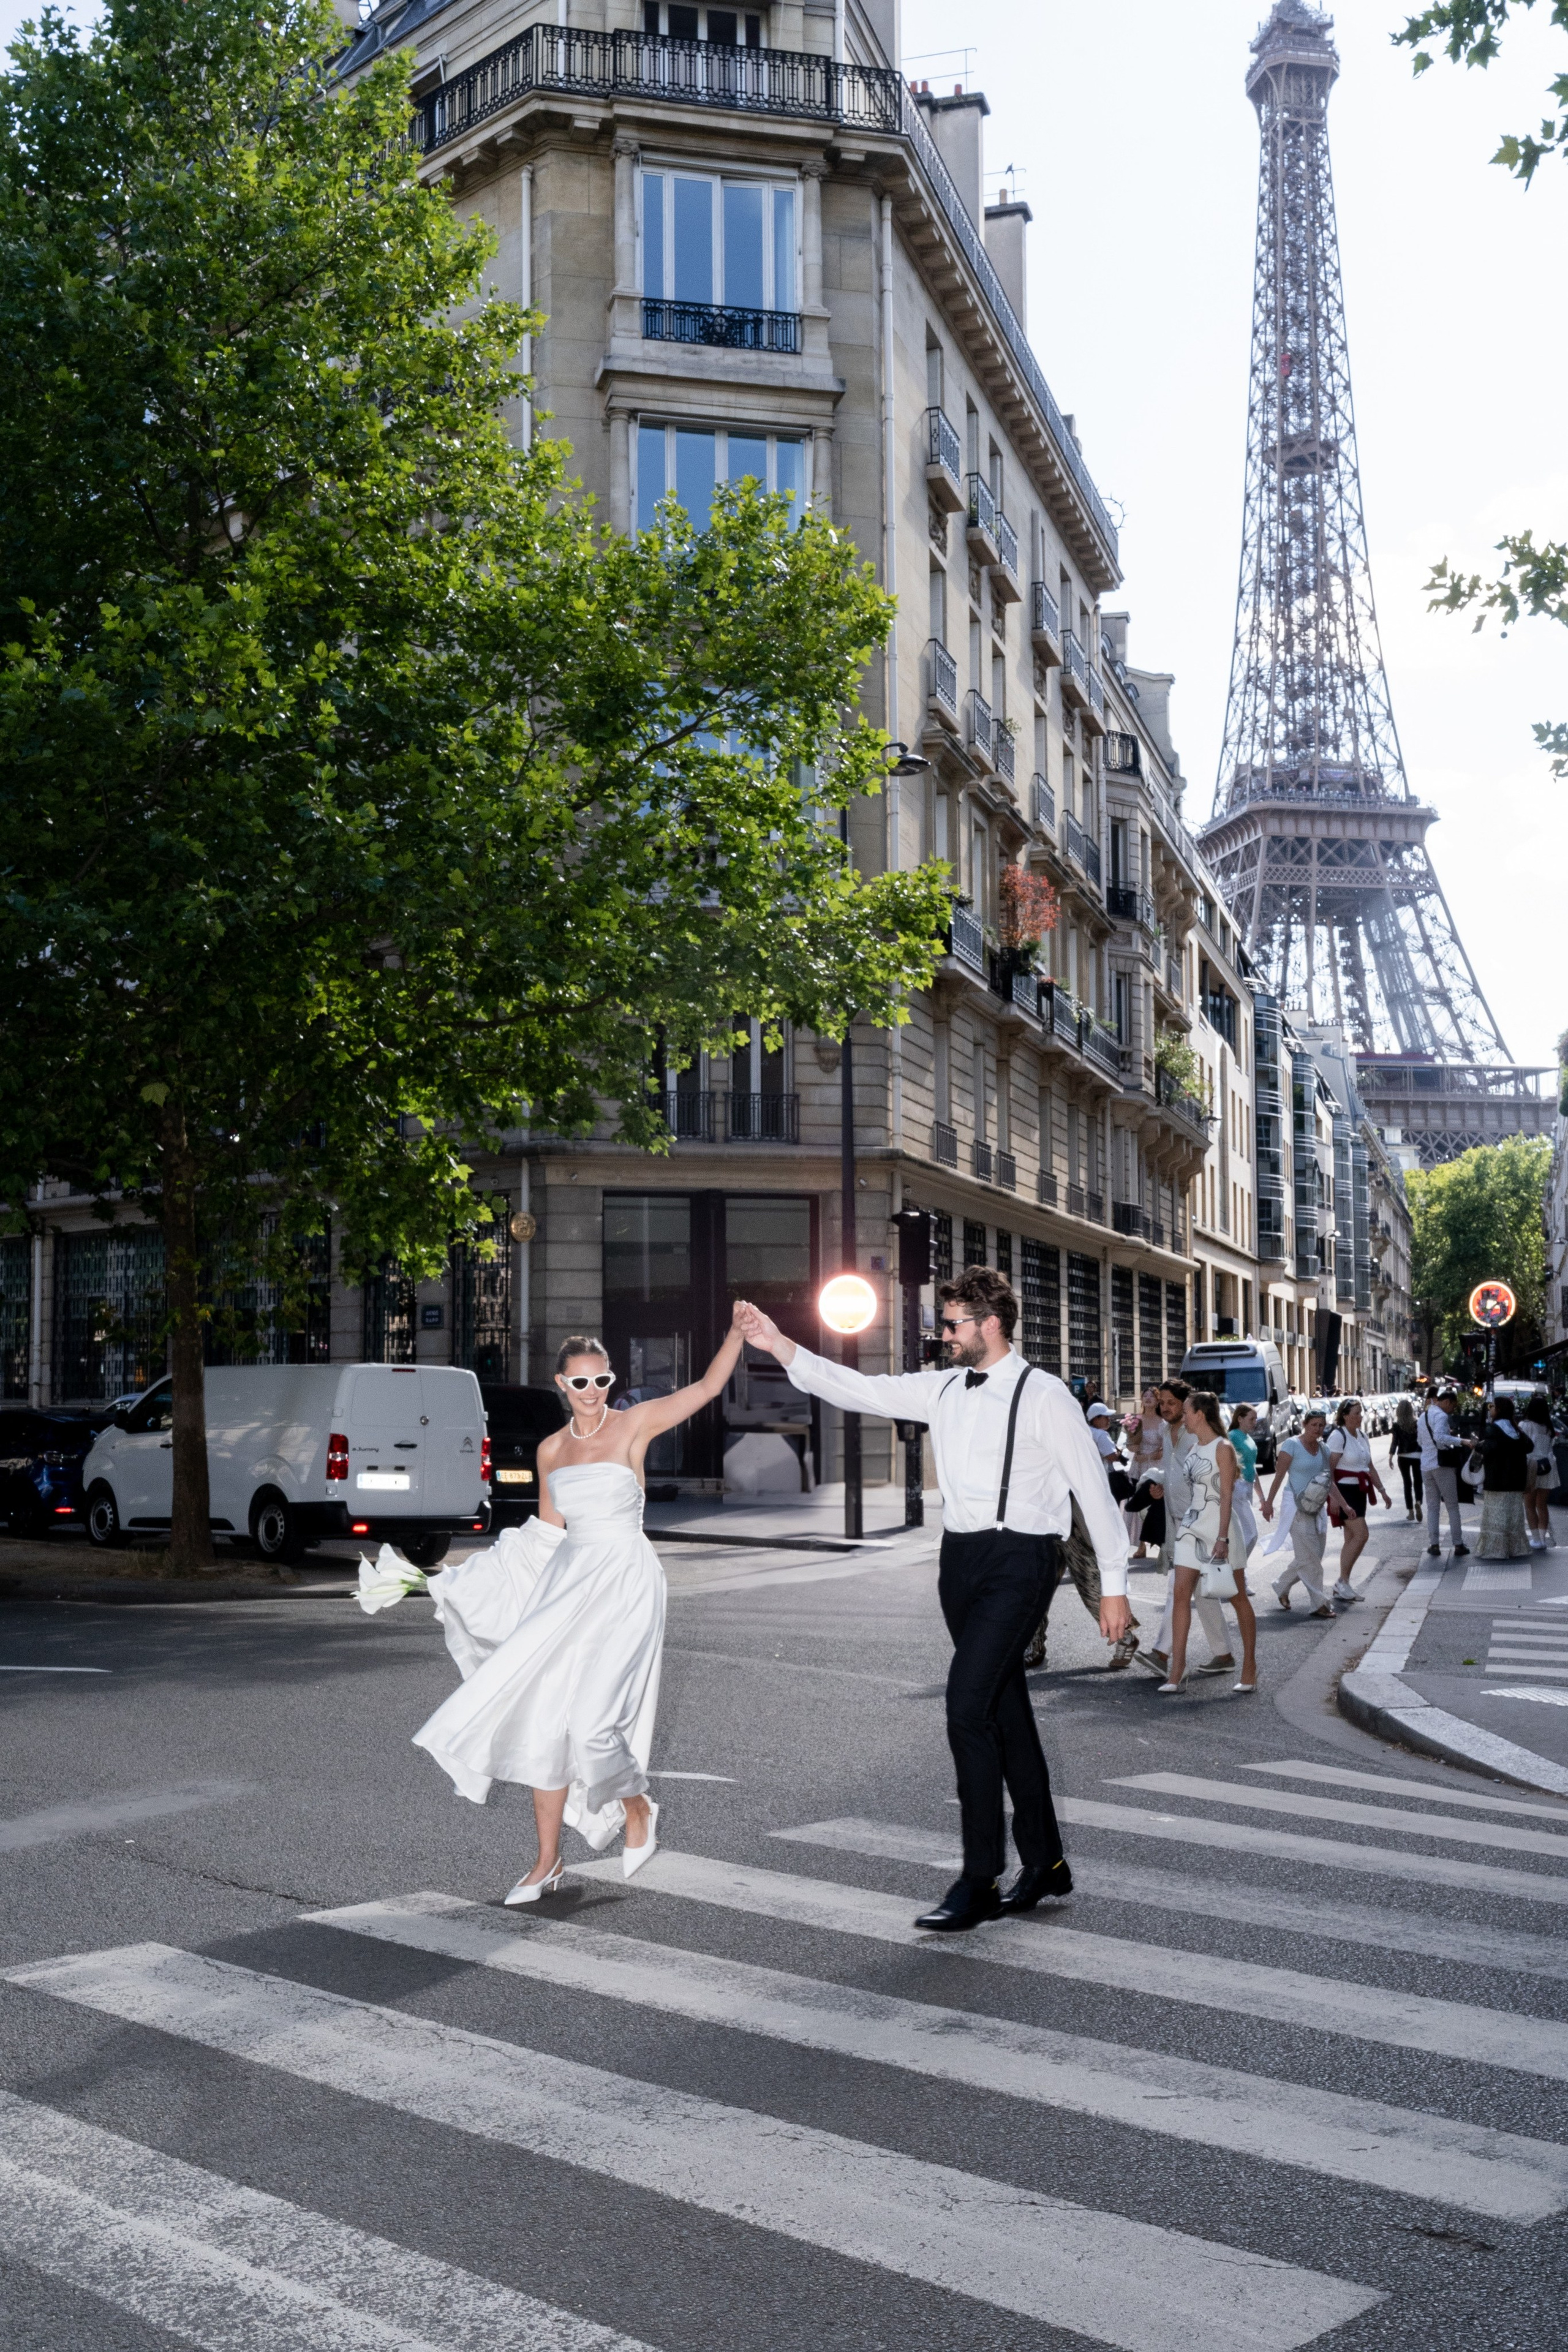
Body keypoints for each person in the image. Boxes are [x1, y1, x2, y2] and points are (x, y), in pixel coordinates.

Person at [736, 1267, 1130, 1934]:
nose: (942, 1336)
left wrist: (1114, 1587)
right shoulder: (944, 1387)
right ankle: (1047, 1863)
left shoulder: (1044, 1395)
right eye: (942, 1324)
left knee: (966, 1708)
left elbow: (1091, 1487)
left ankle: (979, 1878)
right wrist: (779, 1344)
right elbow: (858, 1388)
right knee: (1004, 1713)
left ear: (990, 1324)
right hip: (961, 1561)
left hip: (1020, 1559)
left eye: (952, 1325)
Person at [411, 1313, 746, 1902]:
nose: (594, 1393)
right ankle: (547, 1862)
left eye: (602, 1381)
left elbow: (707, 1389)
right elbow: (546, 1530)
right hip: (568, 1582)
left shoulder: (634, 1426)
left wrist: (738, 1333)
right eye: (581, 1383)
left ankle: (637, 1807)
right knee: (546, 1719)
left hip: (626, 1579)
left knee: (594, 1726)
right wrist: (466, 1576)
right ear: (561, 1386)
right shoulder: (550, 1450)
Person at [1022, 1401, 1140, 1672]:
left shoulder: (1077, 1438)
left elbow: (1091, 1489)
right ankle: (1034, 1644)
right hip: (1043, 1526)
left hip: (1074, 1524)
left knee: (1092, 1586)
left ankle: (1126, 1637)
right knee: (1036, 1589)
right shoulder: (1034, 1437)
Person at [1136, 1379, 1235, 1680]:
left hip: (1199, 1522)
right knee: (1201, 1592)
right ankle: (1224, 1654)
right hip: (1177, 1519)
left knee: (1177, 1589)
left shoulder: (1198, 1436)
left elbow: (1212, 1477)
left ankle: (1161, 1653)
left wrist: (1219, 1532)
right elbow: (1174, 1470)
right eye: (1161, 1402)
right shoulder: (1167, 1432)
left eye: (1170, 1403)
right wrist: (1161, 1486)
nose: (1164, 1408)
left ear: (1186, 1405)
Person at [1161, 1389, 1257, 1694]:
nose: (1183, 1417)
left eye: (1187, 1412)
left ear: (1200, 1414)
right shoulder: (1193, 1449)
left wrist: (1222, 1538)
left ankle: (1249, 1667)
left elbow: (1226, 1495)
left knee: (1238, 1598)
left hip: (1220, 1530)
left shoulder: (1223, 1447)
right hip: (1191, 1528)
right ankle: (1176, 1672)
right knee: (1180, 1597)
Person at [1261, 1409, 1335, 1616]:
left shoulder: (1324, 1449)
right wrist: (1268, 1503)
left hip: (1317, 1508)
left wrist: (1343, 1504)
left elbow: (1330, 1481)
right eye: (1314, 1425)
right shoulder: (1292, 1445)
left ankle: (1281, 1585)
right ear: (1305, 1424)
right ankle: (1319, 1603)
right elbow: (1279, 1476)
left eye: (1321, 1425)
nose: (1318, 1429)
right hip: (1295, 1506)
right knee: (1311, 1559)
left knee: (1312, 1555)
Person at [1324, 1398, 1390, 1607]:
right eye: (1356, 1413)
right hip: (1344, 1492)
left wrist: (1382, 1491)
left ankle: (1343, 1584)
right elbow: (1329, 1470)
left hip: (1360, 1491)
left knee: (1352, 1538)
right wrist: (1334, 1498)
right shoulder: (1338, 1436)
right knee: (1362, 1535)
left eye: (1361, 1413)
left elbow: (1369, 1466)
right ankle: (1342, 1581)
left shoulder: (1362, 1436)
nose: (1361, 1417)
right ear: (1345, 1416)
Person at [1471, 1397, 1531, 1561]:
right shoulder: (1516, 1430)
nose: (1490, 1409)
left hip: (1497, 1480)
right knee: (1513, 1516)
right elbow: (1529, 1446)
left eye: (1493, 1407)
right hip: (1516, 1480)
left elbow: (1489, 1449)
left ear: (1499, 1410)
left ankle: (1497, 1550)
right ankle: (1515, 1548)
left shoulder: (1494, 1429)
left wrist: (1477, 1445)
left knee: (1496, 1516)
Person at [1418, 1387, 1469, 1557]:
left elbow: (1420, 1441)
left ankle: (1434, 1544)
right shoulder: (1441, 1416)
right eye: (1453, 1406)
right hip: (1442, 1465)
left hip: (1426, 1465)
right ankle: (1458, 1544)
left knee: (1432, 1507)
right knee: (1452, 1506)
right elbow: (1440, 1437)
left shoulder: (1423, 1416)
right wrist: (1462, 1441)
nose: (1453, 1410)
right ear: (1446, 1402)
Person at [1122, 1387, 1167, 1559]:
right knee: (1137, 1502)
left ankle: (1161, 1543)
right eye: (1145, 1396)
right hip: (1138, 1465)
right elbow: (1130, 1444)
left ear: (1157, 1401)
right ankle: (1141, 1546)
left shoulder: (1163, 1422)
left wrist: (1149, 1456)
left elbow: (1166, 1447)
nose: (1148, 1398)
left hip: (1156, 1465)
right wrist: (1133, 1445)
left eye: (1152, 1396)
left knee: (1156, 1504)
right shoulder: (1135, 1420)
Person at [1520, 1392, 1559, 1550]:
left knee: (1529, 1504)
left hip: (1531, 1466)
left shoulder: (1525, 1425)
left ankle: (1536, 1539)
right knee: (1542, 1505)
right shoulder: (1549, 1428)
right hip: (1548, 1466)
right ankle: (1543, 1539)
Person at [1226, 1401, 1261, 1555]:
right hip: (1237, 1487)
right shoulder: (1232, 1436)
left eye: (1256, 1419)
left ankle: (1237, 1572)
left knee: (1240, 1533)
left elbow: (1252, 1468)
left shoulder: (1249, 1439)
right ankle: (1237, 1568)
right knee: (1251, 1534)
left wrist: (1263, 1498)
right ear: (1240, 1419)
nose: (1255, 1423)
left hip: (1247, 1487)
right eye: (1252, 1419)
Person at [1389, 1398, 1423, 1522]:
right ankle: (1419, 1502)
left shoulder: (1397, 1425)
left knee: (1407, 1484)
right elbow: (1421, 1440)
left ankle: (1410, 1512)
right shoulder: (1417, 1423)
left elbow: (1395, 1442)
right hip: (1417, 1455)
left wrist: (1391, 1456)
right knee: (1418, 1481)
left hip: (1403, 1456)